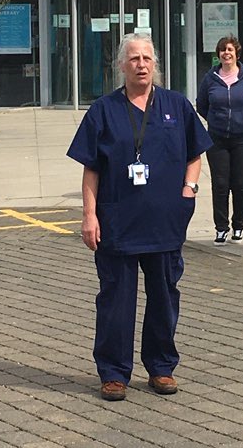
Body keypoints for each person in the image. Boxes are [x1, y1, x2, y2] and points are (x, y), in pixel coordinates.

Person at [67, 34, 210, 402]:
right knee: (116, 301)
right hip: (117, 223)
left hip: (165, 223)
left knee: (164, 297)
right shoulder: (103, 110)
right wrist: (89, 216)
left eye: (147, 58)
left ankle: (161, 367)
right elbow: (91, 168)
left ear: (155, 64)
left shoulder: (176, 106)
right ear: (121, 66)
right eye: (134, 59)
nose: (141, 64)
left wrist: (189, 190)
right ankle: (114, 373)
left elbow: (196, 153)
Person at [195, 35, 243, 244]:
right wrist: (215, 121)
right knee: (220, 184)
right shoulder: (210, 78)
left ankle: (238, 225)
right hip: (217, 139)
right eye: (222, 50)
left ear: (237, 53)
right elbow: (201, 105)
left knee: (241, 184)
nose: (226, 53)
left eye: (229, 50)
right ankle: (221, 227)